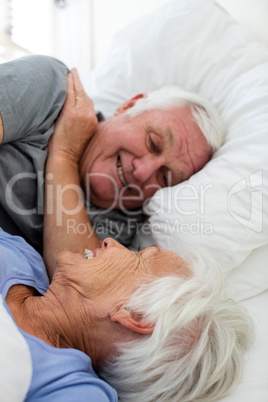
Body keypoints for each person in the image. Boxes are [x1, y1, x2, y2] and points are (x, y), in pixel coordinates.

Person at [0, 55, 225, 255]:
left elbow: (77, 283)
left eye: (165, 177)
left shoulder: (119, 230)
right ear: (129, 106)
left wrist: (64, 157)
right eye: (152, 142)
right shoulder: (55, 91)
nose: (143, 171)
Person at [1, 227, 253, 401]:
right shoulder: (22, 258)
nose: (109, 241)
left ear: (136, 315)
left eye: (138, 256)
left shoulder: (74, 391)